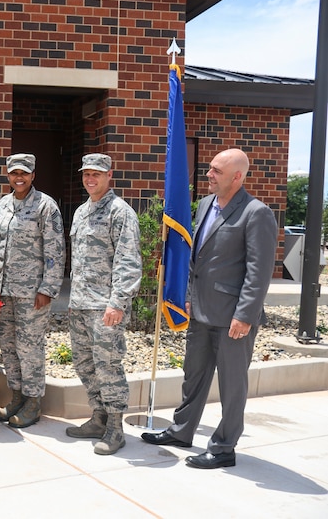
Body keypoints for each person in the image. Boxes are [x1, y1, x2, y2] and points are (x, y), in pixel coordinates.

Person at [141, 148, 277, 469]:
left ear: (237, 177)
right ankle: (181, 430)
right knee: (194, 376)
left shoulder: (256, 213)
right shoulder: (205, 204)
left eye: (216, 170)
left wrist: (245, 315)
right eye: (210, 169)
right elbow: (196, 258)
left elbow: (259, 271)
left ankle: (224, 447)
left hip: (232, 317)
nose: (208, 175)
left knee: (232, 384)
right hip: (201, 311)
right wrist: (189, 294)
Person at [66, 153, 142, 455]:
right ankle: (98, 417)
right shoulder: (81, 212)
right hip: (81, 304)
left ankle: (115, 427)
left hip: (106, 307)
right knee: (84, 364)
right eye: (86, 174)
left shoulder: (120, 213)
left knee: (108, 366)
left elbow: (128, 263)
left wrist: (117, 303)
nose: (90, 179)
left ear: (109, 175)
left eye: (96, 174)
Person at [0, 153, 65, 428]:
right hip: (7, 291)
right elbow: (0, 249)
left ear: (33, 175)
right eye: (14, 173)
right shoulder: (3, 204)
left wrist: (48, 288)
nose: (19, 178)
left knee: (29, 347)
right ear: (8, 175)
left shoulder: (46, 206)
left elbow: (55, 251)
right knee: (9, 346)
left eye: (24, 173)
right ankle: (18, 397)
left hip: (33, 292)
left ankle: (34, 402)